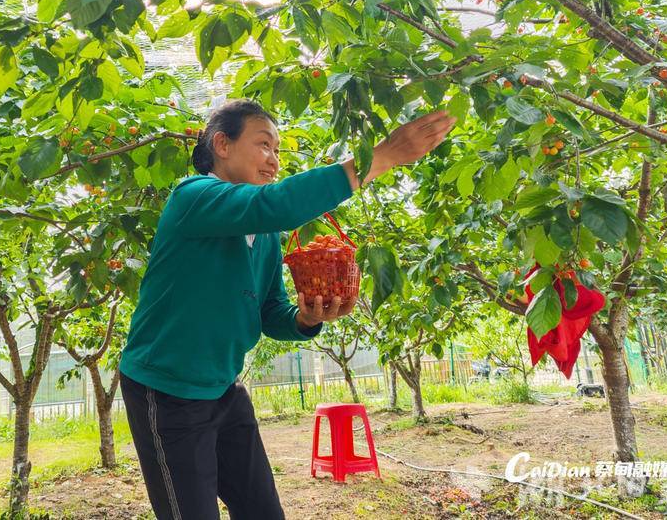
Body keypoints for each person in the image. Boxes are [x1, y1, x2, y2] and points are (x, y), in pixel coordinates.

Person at [119, 99, 456, 520]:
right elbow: (277, 204)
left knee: (263, 510)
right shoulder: (194, 196)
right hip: (167, 390)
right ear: (222, 145)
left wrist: (305, 318)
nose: (274, 160)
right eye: (264, 145)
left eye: (277, 151)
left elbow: (269, 310)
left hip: (223, 388)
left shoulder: (263, 235)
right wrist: (382, 156)